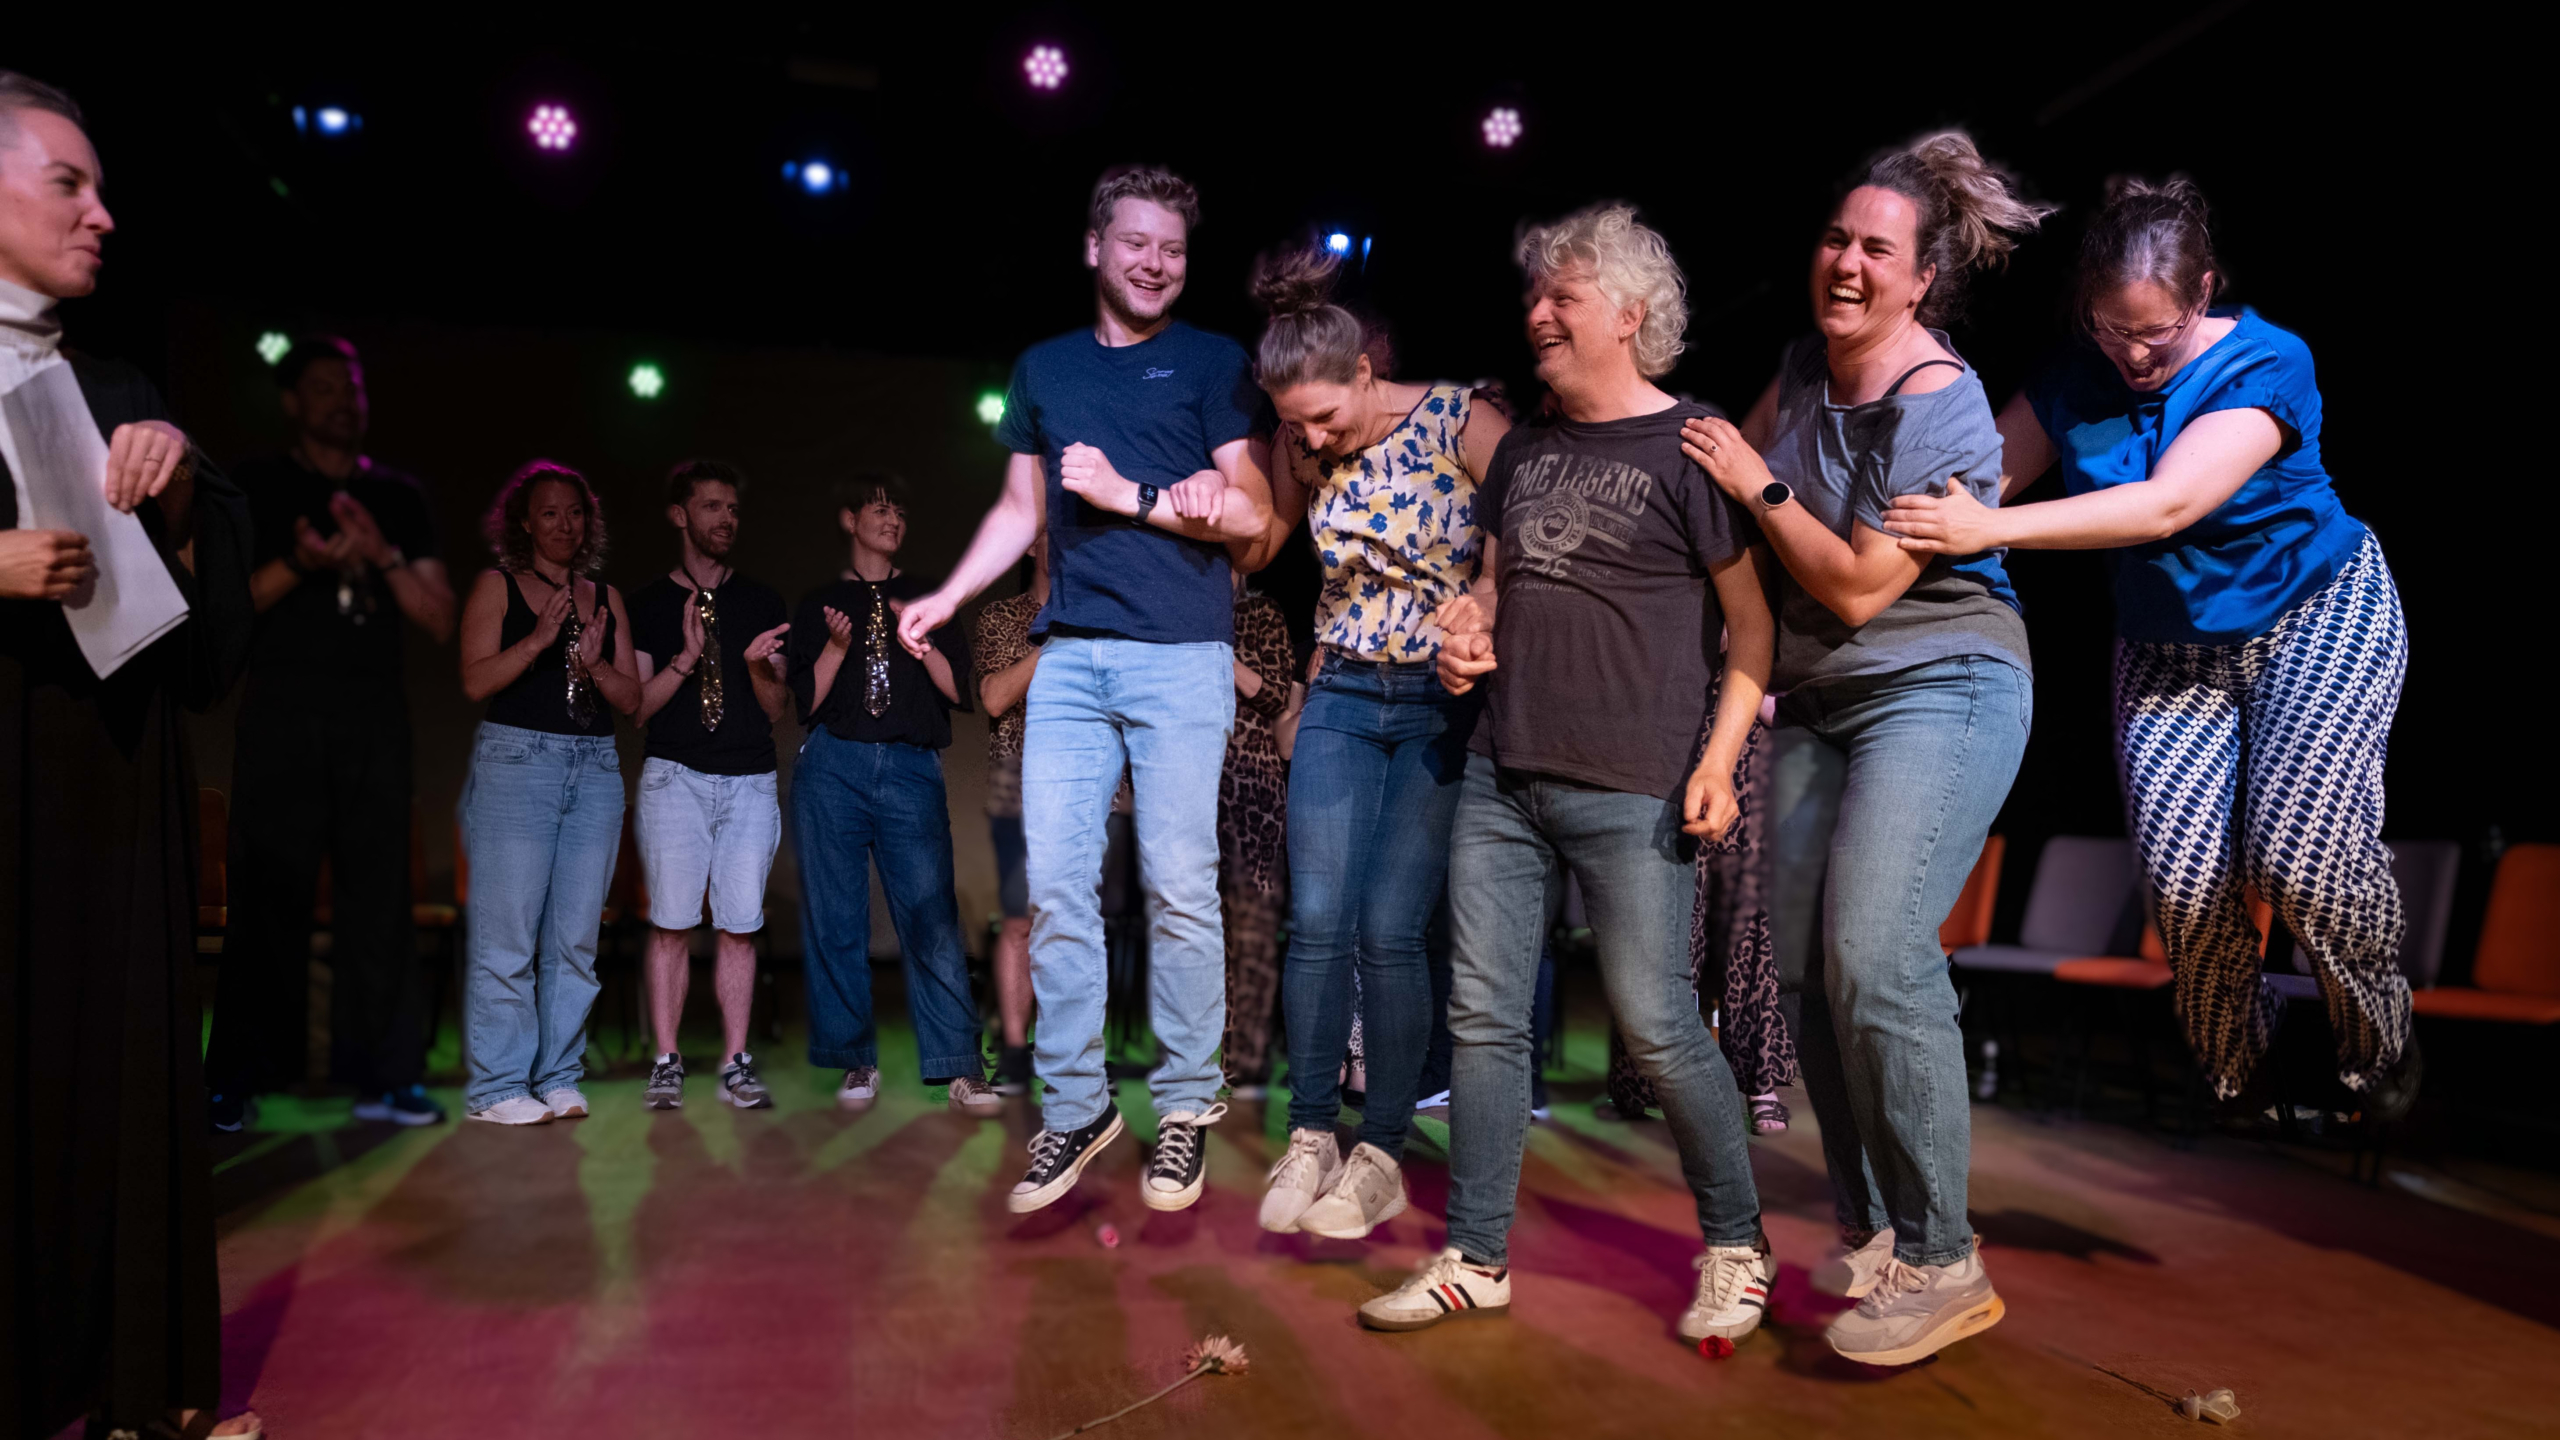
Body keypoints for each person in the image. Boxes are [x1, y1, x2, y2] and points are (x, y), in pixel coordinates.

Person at [1882, 177, 2415, 1109]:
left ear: (2202, 294)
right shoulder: (2070, 376)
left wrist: (1989, 531)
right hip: (2170, 652)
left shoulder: (2267, 361)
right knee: (2182, 881)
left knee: (2298, 854)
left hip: (2313, 610)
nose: (2132, 353)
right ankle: (2245, 1069)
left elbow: (2168, 504)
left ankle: (2382, 1040)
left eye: (2156, 333)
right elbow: (1969, 487)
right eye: (2110, 329)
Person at [1363, 204, 1779, 1347]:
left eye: (1564, 296)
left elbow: (1752, 630)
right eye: (1534, 295)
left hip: (1635, 785)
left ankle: (1737, 1246)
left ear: (1630, 314)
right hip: (1502, 778)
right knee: (1486, 1022)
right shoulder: (1525, 450)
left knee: (1656, 1026)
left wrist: (1718, 764)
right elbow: (1496, 587)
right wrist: (1467, 629)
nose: (1538, 314)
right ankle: (1476, 1258)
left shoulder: (1692, 447)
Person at [1675, 131, 2050, 1365]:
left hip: (1941, 682)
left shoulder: (1942, 405)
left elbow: (1849, 584)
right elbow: (1711, 494)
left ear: (1921, 278)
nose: (1845, 262)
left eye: (1876, 250)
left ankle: (1946, 1259)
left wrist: (1757, 481)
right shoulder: (1800, 367)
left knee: (1878, 953)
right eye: (1836, 239)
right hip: (1823, 697)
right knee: (1800, 974)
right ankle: (1880, 1229)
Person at [894, 164, 1273, 1216]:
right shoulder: (1044, 369)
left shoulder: (1215, 362)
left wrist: (1138, 493)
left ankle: (1185, 1105)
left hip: (1180, 653)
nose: (1156, 263)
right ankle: (1076, 1106)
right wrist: (948, 594)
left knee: (1178, 886)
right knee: (1056, 893)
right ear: (1095, 248)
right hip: (1068, 657)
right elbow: (1018, 512)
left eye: (1173, 249)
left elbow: (1251, 512)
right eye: (1136, 242)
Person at [0, 73, 260, 1439]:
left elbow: (205, 651)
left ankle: (126, 1383)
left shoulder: (116, 389)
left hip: (111, 785)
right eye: (69, 184)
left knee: (115, 1081)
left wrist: (187, 481)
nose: (103, 215)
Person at [1236, 245, 1509, 1240]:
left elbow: (1522, 529)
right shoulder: (1297, 437)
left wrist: (1488, 595)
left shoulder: (1460, 417)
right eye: (1294, 422)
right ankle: (1311, 1133)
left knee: (1392, 930)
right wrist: (1198, 502)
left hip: (1439, 700)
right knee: (1317, 920)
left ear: (1363, 371)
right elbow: (1263, 543)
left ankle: (1381, 1151)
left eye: (1322, 416)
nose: (1310, 438)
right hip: (1344, 689)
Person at [204, 336, 456, 1134]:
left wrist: (382, 554)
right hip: (282, 712)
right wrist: (301, 561)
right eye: (322, 388)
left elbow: (439, 618)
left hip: (373, 719)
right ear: (291, 402)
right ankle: (237, 1078)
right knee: (265, 896)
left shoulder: (398, 496)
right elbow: (229, 601)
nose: (342, 401)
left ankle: (388, 1076)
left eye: (351, 386)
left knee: (379, 901)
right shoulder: (259, 483)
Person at [788, 474, 992, 1117]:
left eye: (900, 509)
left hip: (908, 765)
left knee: (932, 917)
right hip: (834, 764)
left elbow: (958, 692)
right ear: (850, 519)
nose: (893, 518)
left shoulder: (929, 596)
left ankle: (959, 1066)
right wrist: (836, 646)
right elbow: (806, 702)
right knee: (837, 917)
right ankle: (855, 1058)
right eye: (879, 507)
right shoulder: (820, 602)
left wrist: (920, 638)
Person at [455, 461, 639, 1125]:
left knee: (575, 942)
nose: (565, 524)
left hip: (594, 768)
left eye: (575, 512)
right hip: (517, 763)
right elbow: (475, 681)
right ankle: (498, 1087)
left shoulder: (606, 597)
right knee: (509, 938)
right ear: (526, 523)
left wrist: (595, 662)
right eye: (550, 513)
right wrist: (538, 640)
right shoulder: (497, 585)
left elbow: (631, 699)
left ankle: (558, 1076)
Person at [629, 460, 792, 1111]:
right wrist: (688, 657)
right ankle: (666, 1061)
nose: (727, 519)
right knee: (671, 924)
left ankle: (735, 1062)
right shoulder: (647, 603)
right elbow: (639, 707)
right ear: (680, 514)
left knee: (739, 926)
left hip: (749, 780)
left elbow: (775, 709)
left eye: (733, 508)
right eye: (712, 506)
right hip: (675, 778)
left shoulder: (761, 601)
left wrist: (755, 668)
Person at [973, 534, 1048, 1094]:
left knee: (1082, 923)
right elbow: (996, 697)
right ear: (1029, 545)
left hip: (1094, 783)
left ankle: (1076, 1053)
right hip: (1018, 782)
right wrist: (1058, 641)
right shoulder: (1001, 616)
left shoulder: (1105, 613)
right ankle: (1016, 1054)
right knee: (1019, 921)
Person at [1217, 571, 1295, 1098]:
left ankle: (1244, 1061)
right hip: (1192, 781)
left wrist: (1216, 651)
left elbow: (1275, 695)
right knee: (1197, 925)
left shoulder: (1261, 614)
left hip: (1252, 787)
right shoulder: (1173, 617)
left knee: (1251, 929)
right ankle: (1198, 1058)